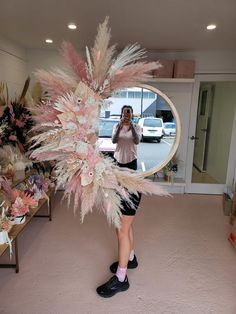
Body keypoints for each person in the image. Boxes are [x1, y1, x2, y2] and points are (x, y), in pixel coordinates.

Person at [96, 105, 142, 298]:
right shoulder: (116, 126)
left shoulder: (136, 127)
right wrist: (119, 126)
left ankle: (121, 278)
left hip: (131, 171)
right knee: (123, 224)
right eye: (124, 113)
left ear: (132, 114)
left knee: (122, 229)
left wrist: (130, 126)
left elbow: (138, 141)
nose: (126, 115)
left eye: (129, 113)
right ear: (121, 113)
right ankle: (130, 258)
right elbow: (114, 141)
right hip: (117, 167)